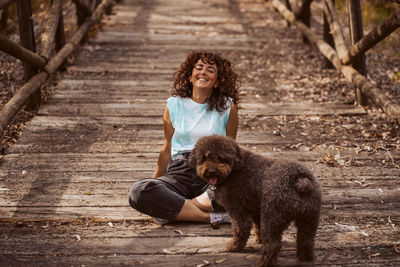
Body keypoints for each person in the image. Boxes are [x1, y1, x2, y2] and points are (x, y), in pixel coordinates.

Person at [128, 50, 240, 224]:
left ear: (217, 82)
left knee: (237, 189)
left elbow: (232, 152)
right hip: (179, 171)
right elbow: (166, 149)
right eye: (199, 67)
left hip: (211, 173)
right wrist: (156, 184)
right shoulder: (174, 104)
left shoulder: (227, 107)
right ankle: (209, 218)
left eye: (210, 70)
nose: (203, 72)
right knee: (140, 191)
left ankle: (177, 209)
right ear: (190, 76)